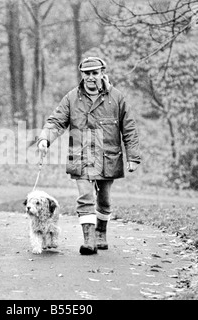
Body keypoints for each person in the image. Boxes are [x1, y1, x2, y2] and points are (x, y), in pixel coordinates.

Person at [37, 57, 141, 255]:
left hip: (108, 157)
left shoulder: (116, 98)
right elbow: (56, 121)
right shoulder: (71, 98)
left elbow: (129, 128)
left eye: (95, 73)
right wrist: (45, 139)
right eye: (87, 73)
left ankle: (101, 232)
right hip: (81, 156)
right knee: (85, 197)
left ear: (102, 72)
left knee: (104, 199)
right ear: (82, 75)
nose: (91, 77)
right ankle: (89, 240)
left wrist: (133, 157)